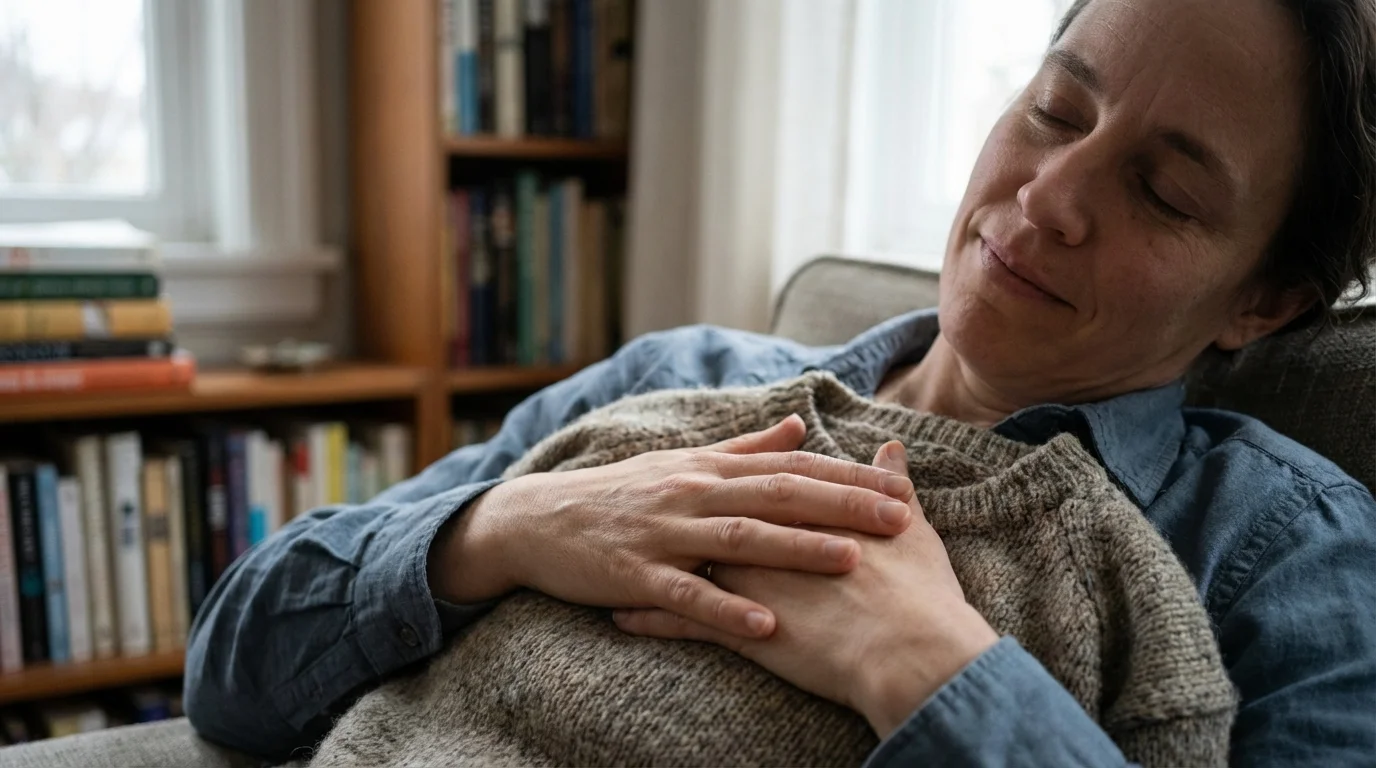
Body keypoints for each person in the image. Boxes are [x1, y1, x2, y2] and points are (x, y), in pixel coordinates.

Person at [186, 0, 1376, 764]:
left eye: (1163, 195)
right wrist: (505, 528)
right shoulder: (679, 381)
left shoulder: (1270, 546)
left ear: (1263, 301)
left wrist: (926, 671)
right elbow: (230, 676)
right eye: (1055, 108)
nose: (1050, 195)